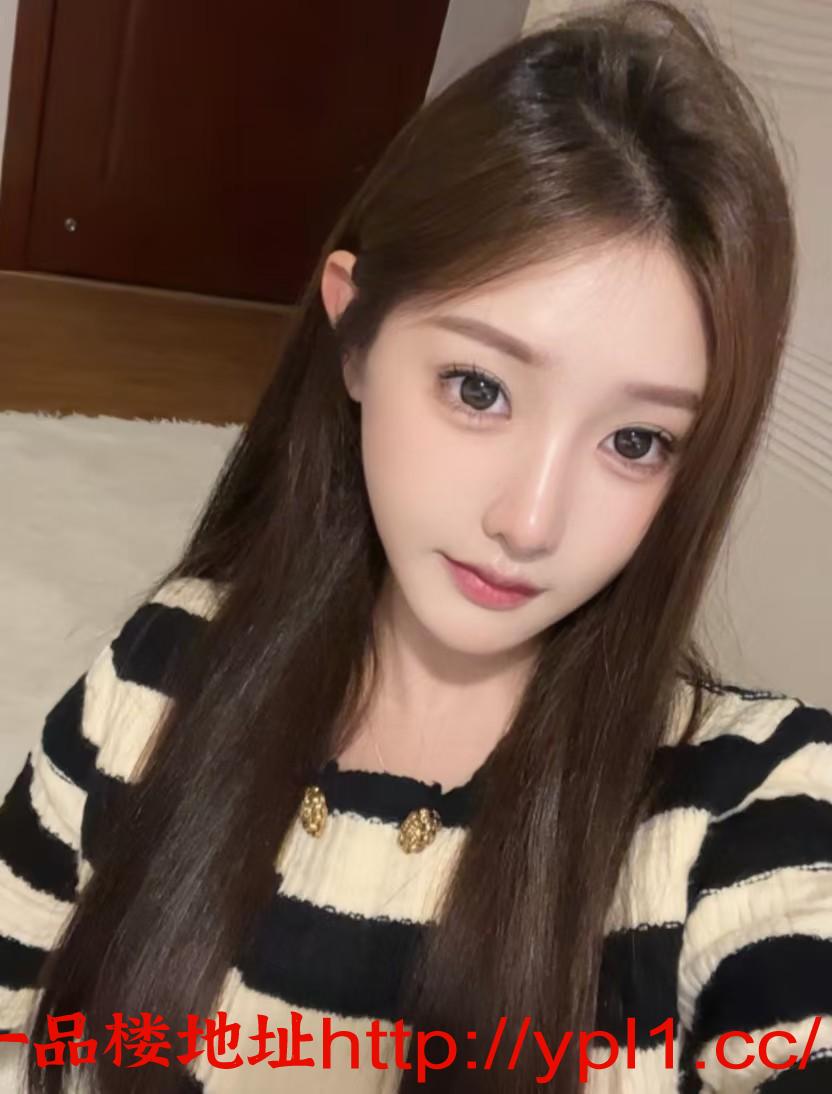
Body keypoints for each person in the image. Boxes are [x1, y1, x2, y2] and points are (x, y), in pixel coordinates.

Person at [1, 0, 831, 1091]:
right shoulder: (162, 675)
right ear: (354, 335)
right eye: (478, 387)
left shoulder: (744, 807)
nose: (529, 522)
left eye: (636, 441)